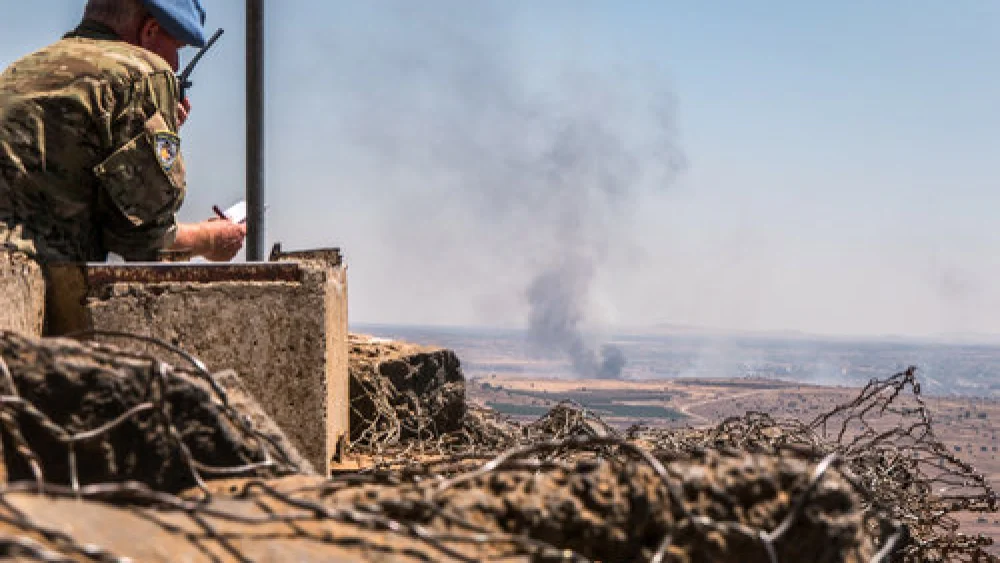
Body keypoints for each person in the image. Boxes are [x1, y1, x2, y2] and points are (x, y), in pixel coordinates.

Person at [0, 0, 245, 263]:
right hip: (32, 283)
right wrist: (210, 239)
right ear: (149, 30)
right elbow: (143, 240)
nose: (174, 65)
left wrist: (148, 135)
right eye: (177, 49)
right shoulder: (144, 74)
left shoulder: (18, 71)